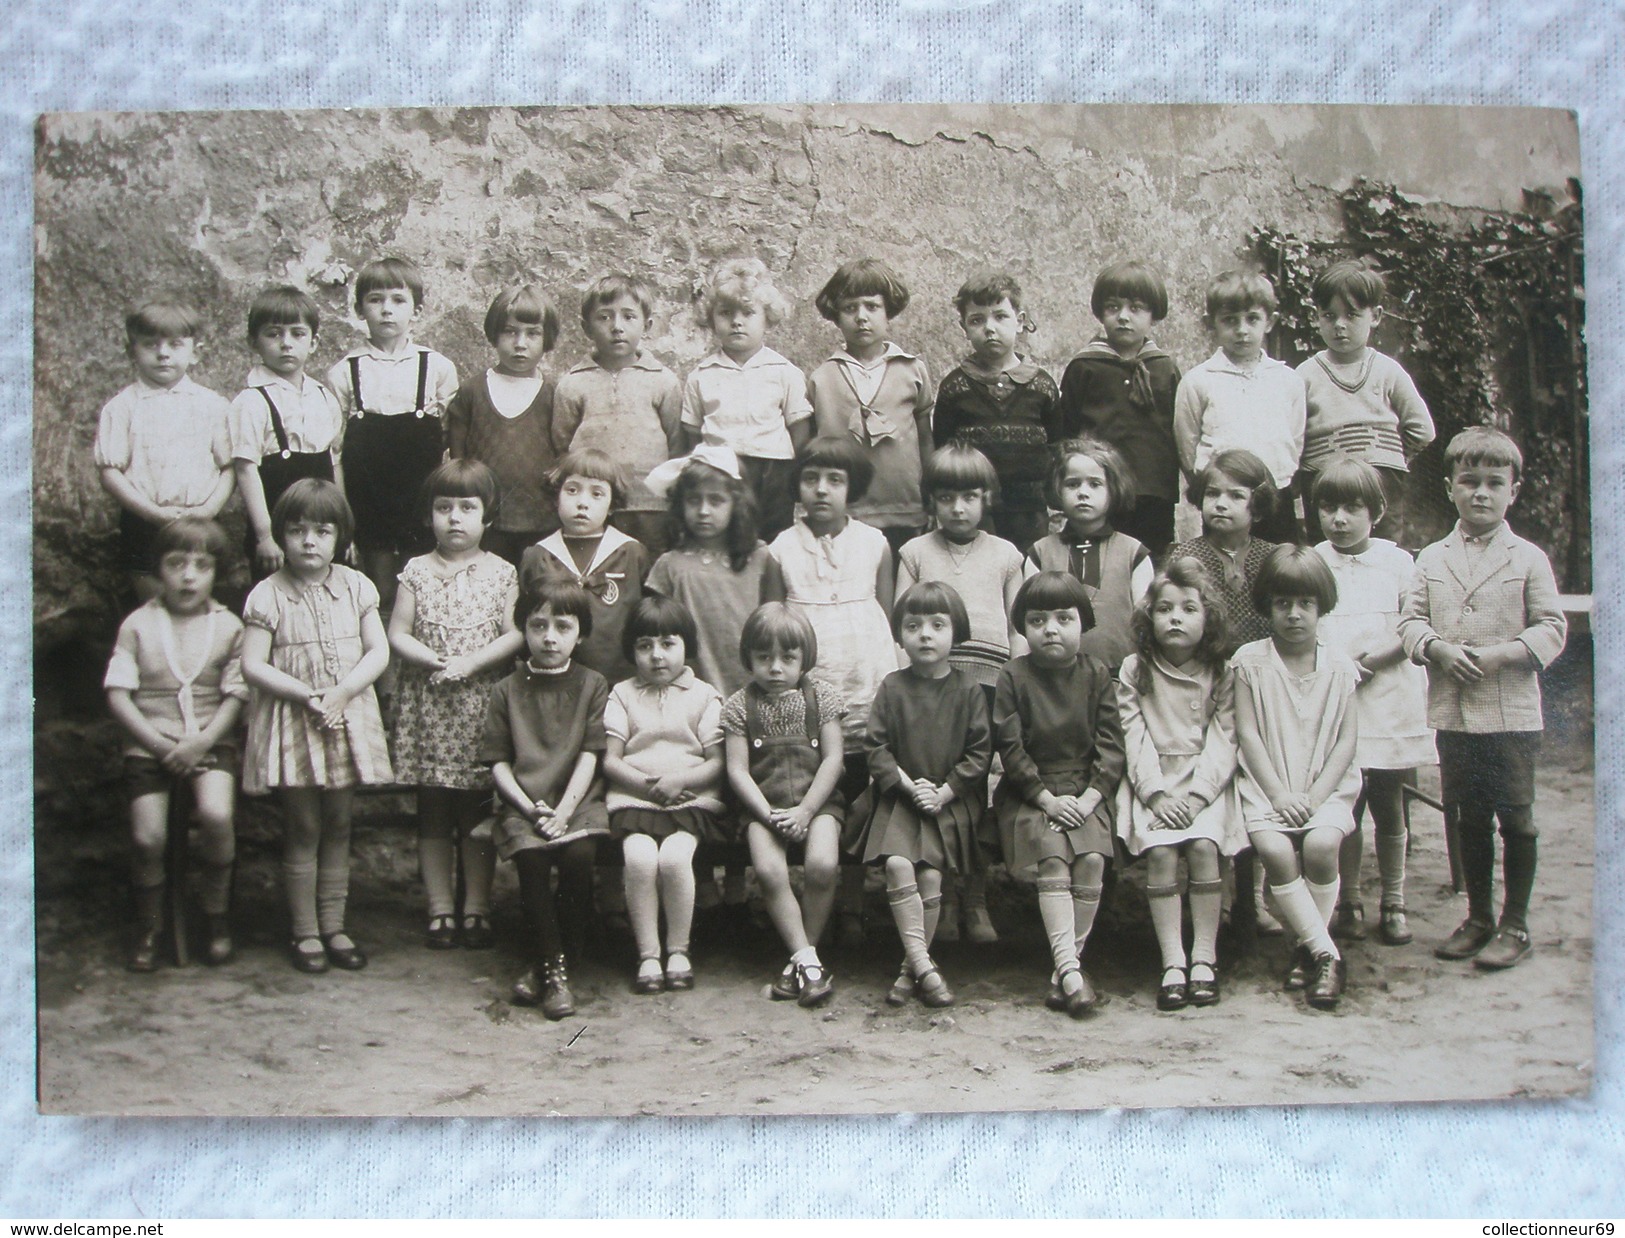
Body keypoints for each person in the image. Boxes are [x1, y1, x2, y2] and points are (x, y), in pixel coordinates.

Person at [1398, 428, 1567, 970]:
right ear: (1449, 488)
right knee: (1468, 816)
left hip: (1512, 711)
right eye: (1469, 482)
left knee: (1516, 819)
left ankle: (1515, 923)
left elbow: (1552, 627)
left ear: (1512, 491)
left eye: (1495, 483)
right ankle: (1478, 916)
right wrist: (1436, 649)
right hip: (1455, 711)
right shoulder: (1429, 557)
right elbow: (1408, 621)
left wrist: (1503, 654)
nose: (1481, 494)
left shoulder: (1528, 558)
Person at [239, 479, 393, 974]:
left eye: (322, 530)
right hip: (296, 719)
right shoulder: (267, 595)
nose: (309, 541)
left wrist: (343, 692)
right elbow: (252, 666)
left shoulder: (357, 586)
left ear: (340, 537)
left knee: (340, 822)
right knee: (304, 825)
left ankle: (335, 925)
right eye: (297, 530)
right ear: (281, 536)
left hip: (345, 715)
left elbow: (379, 651)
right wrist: (307, 695)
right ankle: (305, 932)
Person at [765, 434, 898, 946]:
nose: (822, 490)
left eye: (835, 480)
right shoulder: (781, 547)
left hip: (865, 672)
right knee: (824, 786)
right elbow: (775, 624)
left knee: (863, 784)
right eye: (811, 479)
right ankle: (811, 895)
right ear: (798, 485)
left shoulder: (875, 544)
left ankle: (854, 900)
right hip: (810, 685)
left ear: (853, 488)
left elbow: (883, 614)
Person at [386, 460, 523, 951]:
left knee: (476, 812)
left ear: (488, 516)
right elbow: (397, 633)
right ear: (429, 516)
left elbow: (515, 634)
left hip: (480, 705)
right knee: (434, 813)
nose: (455, 519)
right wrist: (432, 659)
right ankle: (441, 908)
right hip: (429, 705)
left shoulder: (503, 573)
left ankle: (477, 909)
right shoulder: (416, 572)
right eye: (444, 508)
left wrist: (469, 663)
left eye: (468, 508)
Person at [643, 443, 780, 929]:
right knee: (700, 791)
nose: (704, 511)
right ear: (679, 506)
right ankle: (700, 887)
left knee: (745, 790)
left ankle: (739, 889)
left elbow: (775, 626)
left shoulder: (760, 560)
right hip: (692, 699)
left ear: (737, 505)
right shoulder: (669, 566)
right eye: (694, 500)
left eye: (717, 500)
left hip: (751, 694)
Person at [103, 517, 246, 971]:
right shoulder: (138, 625)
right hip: (150, 744)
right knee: (149, 837)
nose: (188, 576)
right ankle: (150, 926)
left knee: (217, 814)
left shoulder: (229, 627)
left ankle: (216, 917)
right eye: (176, 564)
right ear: (157, 570)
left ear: (215, 572)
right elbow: (119, 696)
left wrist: (201, 741)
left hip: (210, 741)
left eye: (201, 566)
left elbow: (236, 696)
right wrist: (162, 746)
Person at [896, 443, 1023, 944]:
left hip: (989, 686)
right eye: (946, 497)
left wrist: (1014, 687)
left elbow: (1018, 630)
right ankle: (943, 897)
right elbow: (900, 624)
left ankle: (975, 896)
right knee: (939, 787)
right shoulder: (915, 552)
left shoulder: (1008, 554)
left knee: (976, 790)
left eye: (969, 496)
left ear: (986, 497)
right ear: (932, 500)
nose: (958, 508)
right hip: (932, 689)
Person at [1311, 458, 1435, 945]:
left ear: (1376, 511)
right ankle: (1351, 899)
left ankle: (1395, 900)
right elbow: (1306, 628)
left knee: (1389, 802)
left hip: (1388, 695)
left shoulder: (1400, 563)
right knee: (1348, 803)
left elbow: (1413, 627)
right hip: (1337, 699)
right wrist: (1340, 671)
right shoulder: (1314, 560)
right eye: (1328, 507)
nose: (1338, 519)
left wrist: (1370, 664)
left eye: (1351, 507)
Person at [1232, 545, 1361, 1010]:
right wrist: (1280, 793)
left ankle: (1308, 950)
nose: (1293, 615)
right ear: (1267, 606)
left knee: (1323, 846)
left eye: (1305, 603)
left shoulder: (1340, 666)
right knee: (1275, 848)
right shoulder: (1249, 662)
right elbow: (1246, 733)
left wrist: (1313, 795)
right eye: (1283, 603)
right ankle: (1327, 955)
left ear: (1321, 605)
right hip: (1269, 783)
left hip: (1323, 785)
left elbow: (1346, 743)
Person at [1114, 558, 1243, 1011]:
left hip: (1205, 780)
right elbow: (1132, 732)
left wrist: (1199, 795)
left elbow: (1226, 736)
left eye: (1189, 609)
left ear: (1207, 619)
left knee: (1205, 847)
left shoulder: (1220, 669)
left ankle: (1204, 957)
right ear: (1149, 616)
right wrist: (1154, 792)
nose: (1175, 618)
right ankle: (1172, 961)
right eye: (1165, 608)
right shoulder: (1135, 669)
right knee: (1164, 852)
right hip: (1154, 779)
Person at [480, 580, 612, 1020]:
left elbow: (592, 754)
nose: (549, 636)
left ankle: (547, 965)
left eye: (562, 626)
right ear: (524, 630)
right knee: (533, 860)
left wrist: (565, 811)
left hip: (577, 801)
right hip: (523, 803)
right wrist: (528, 806)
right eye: (538, 625)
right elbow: (498, 763)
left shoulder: (593, 684)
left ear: (582, 633)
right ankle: (555, 970)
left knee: (578, 856)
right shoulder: (506, 690)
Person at [1167, 448, 1284, 942]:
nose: (1222, 504)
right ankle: (1210, 896)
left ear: (1256, 506)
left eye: (1236, 496)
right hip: (1203, 685)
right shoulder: (1184, 556)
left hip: (1259, 685)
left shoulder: (1270, 556)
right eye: (1212, 493)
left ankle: (1253, 897)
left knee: (1254, 786)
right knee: (1210, 784)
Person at [857, 582, 992, 1009]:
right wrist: (906, 784)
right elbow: (875, 747)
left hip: (948, 802)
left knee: (931, 873)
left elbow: (979, 753)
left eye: (937, 625)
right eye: (913, 626)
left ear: (957, 632)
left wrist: (946, 791)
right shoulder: (892, 687)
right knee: (899, 864)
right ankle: (924, 968)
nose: (926, 635)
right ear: (900, 635)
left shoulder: (968, 690)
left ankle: (908, 969)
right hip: (901, 798)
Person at [993, 572, 1122, 1016]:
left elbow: (1110, 745)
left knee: (1090, 858)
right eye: (1038, 619)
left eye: (1064, 618)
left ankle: (1064, 972)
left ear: (1082, 623)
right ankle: (1070, 971)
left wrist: (1090, 798)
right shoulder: (1012, 676)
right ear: (1023, 627)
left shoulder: (1097, 673)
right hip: (1032, 793)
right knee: (1052, 855)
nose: (1050, 628)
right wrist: (1045, 798)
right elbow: (1010, 747)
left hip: (1085, 789)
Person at [722, 604, 845, 1007]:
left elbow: (833, 761)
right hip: (764, 808)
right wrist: (768, 814)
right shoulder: (739, 706)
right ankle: (810, 963)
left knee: (823, 864)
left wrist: (807, 811)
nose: (775, 668)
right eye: (764, 657)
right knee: (770, 870)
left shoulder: (823, 697)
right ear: (749, 658)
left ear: (804, 658)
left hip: (818, 803)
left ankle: (801, 961)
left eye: (787, 658)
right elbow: (738, 771)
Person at [602, 596, 726, 995]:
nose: (657, 656)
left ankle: (679, 950)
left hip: (690, 801)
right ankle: (648, 953)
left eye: (668, 644)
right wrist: (646, 786)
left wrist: (681, 782)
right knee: (638, 857)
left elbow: (717, 762)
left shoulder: (704, 695)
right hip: (635, 799)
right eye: (644, 646)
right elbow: (611, 761)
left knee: (674, 858)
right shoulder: (622, 694)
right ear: (632, 650)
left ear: (686, 645)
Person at [326, 256, 460, 609]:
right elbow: (335, 450)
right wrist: (343, 510)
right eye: (375, 300)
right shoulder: (345, 372)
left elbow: (446, 440)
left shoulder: (437, 368)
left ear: (416, 310)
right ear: (359, 309)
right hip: (369, 501)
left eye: (398, 301)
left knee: (423, 586)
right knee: (379, 590)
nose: (387, 310)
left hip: (419, 499)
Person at [95, 300, 235, 600]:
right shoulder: (122, 408)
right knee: (153, 606)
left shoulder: (213, 406)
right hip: (144, 523)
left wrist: (208, 510)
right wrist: (154, 513)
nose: (163, 353)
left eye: (175, 344)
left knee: (198, 601)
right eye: (150, 344)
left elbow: (229, 467)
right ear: (132, 351)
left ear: (195, 351)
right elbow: (110, 473)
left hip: (201, 522)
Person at [1296, 261, 1435, 545]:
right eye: (1329, 316)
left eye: (1352, 315)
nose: (1340, 326)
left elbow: (1423, 429)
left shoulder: (1387, 370)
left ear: (1376, 316)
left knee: (1383, 551)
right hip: (1324, 482)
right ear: (1316, 317)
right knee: (1324, 554)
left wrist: (1388, 455)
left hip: (1379, 480)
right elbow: (1291, 435)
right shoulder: (1305, 375)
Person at [1054, 261, 1182, 559]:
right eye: (1113, 308)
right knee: (1099, 560)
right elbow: (1067, 432)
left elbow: (1177, 431)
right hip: (1102, 490)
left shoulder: (1164, 368)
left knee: (1151, 564)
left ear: (1153, 315)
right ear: (1100, 313)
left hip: (1152, 493)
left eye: (1136, 308)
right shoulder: (1085, 366)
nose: (1123, 317)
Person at [807, 258, 934, 556]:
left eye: (871, 307)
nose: (861, 317)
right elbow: (814, 448)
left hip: (904, 507)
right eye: (850, 308)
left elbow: (926, 438)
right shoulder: (822, 378)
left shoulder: (912, 370)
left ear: (888, 312)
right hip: (845, 509)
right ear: (837, 317)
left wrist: (931, 495)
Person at [551, 272, 684, 554]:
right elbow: (562, 445)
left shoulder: (663, 380)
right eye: (605, 317)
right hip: (596, 505)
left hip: (651, 505)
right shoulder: (573, 383)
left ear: (647, 325)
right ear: (586, 328)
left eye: (628, 316)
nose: (617, 327)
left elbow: (677, 443)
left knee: (649, 574)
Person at [680, 257, 812, 541]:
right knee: (723, 540)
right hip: (719, 472)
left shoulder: (784, 372)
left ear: (767, 319)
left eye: (748, 312)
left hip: (772, 474)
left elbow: (800, 432)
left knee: (771, 541)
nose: (736, 321)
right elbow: (691, 436)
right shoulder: (701, 375)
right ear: (712, 319)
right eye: (726, 313)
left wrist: (789, 477)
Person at [932, 270, 1062, 555]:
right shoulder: (956, 387)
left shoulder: (1042, 385)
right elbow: (942, 450)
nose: (989, 328)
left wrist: (1056, 504)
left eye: (1000, 316)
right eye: (977, 320)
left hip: (1030, 513)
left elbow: (1057, 447)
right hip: (974, 512)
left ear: (1021, 321)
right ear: (964, 327)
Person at [1173, 270, 1305, 545]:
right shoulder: (1199, 380)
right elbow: (1188, 445)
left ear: (1270, 322)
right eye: (1230, 320)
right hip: (1225, 500)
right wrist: (1214, 488)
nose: (1242, 330)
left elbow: (1294, 438)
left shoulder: (1287, 380)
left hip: (1276, 495)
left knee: (1279, 570)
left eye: (1252, 319)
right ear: (1212, 324)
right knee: (1224, 567)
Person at [229, 286, 345, 579]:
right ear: (253, 341)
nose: (286, 344)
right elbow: (246, 470)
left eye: (297, 333)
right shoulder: (251, 401)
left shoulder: (323, 397)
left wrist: (345, 528)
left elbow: (333, 465)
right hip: (277, 528)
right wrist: (265, 537)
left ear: (314, 342)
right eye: (273, 334)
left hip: (322, 526)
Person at [443, 285, 561, 565]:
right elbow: (458, 457)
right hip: (487, 521)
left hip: (541, 519)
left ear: (547, 339)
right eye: (510, 331)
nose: (520, 343)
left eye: (532, 333)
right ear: (494, 335)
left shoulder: (555, 394)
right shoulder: (472, 391)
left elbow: (565, 451)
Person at [519, 448, 649, 686]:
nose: (582, 503)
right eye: (572, 490)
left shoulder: (630, 552)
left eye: (597, 494)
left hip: (618, 682)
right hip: (552, 682)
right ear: (556, 496)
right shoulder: (538, 555)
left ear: (612, 505)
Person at [1023, 437, 1153, 669]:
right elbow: (1028, 622)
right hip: (1054, 675)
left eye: (1095, 484)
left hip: (1119, 676)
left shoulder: (1135, 554)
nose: (1083, 492)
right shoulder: (1040, 553)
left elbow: (1146, 623)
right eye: (1073, 484)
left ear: (1113, 490)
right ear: (1058, 489)